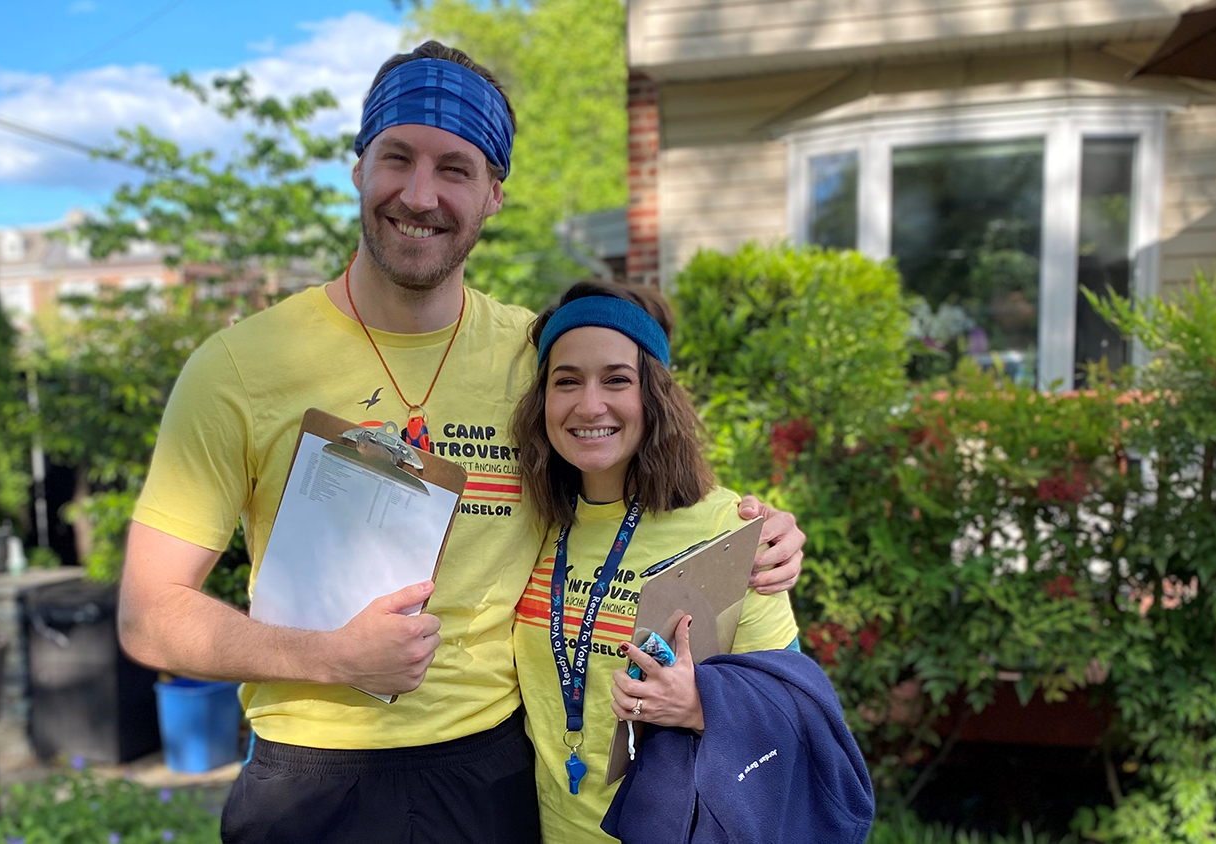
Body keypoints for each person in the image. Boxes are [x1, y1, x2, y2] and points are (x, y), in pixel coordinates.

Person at [118, 42, 807, 844]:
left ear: (493, 196)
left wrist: (761, 535)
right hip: (309, 782)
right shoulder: (238, 367)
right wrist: (334, 659)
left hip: (492, 781)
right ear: (357, 170)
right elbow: (147, 617)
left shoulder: (539, 359)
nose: (419, 194)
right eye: (397, 158)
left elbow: (646, 474)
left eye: (455, 168)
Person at [508, 281, 802, 843]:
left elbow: (791, 712)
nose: (589, 404)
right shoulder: (532, 525)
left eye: (617, 379)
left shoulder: (725, 530)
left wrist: (696, 705)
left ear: (655, 396)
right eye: (565, 380)